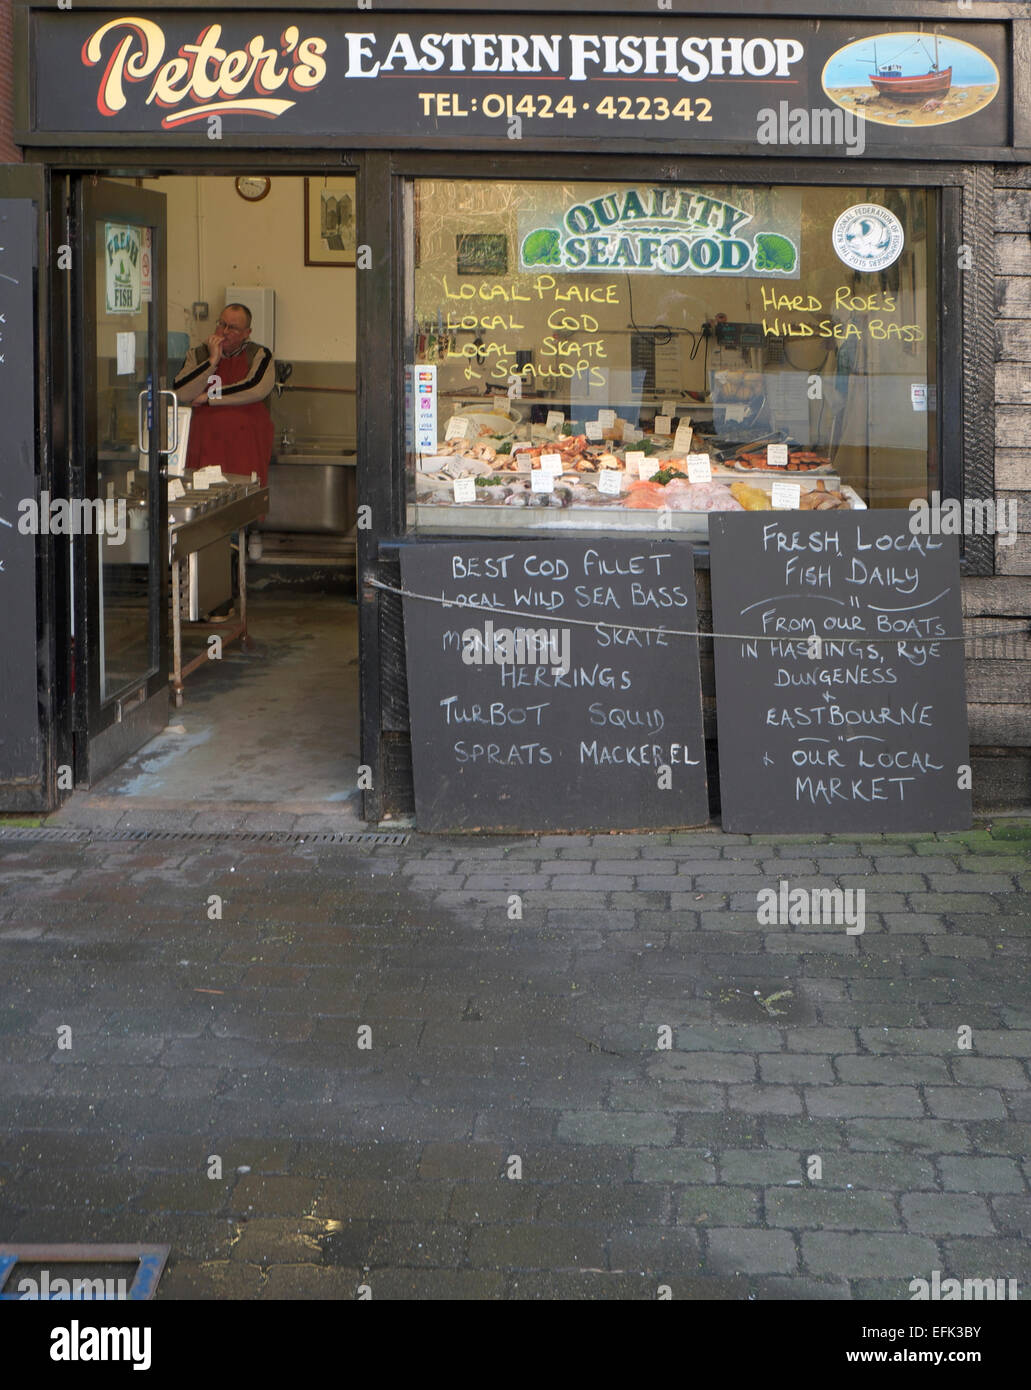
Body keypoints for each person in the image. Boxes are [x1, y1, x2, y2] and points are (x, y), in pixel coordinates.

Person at [173, 303, 275, 485]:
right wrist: (212, 361)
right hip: (204, 448)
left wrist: (208, 398)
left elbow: (255, 388)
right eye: (221, 324)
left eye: (233, 328)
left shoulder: (259, 354)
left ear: (247, 333)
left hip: (246, 452)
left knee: (244, 506)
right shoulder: (198, 355)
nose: (224, 331)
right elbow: (181, 393)